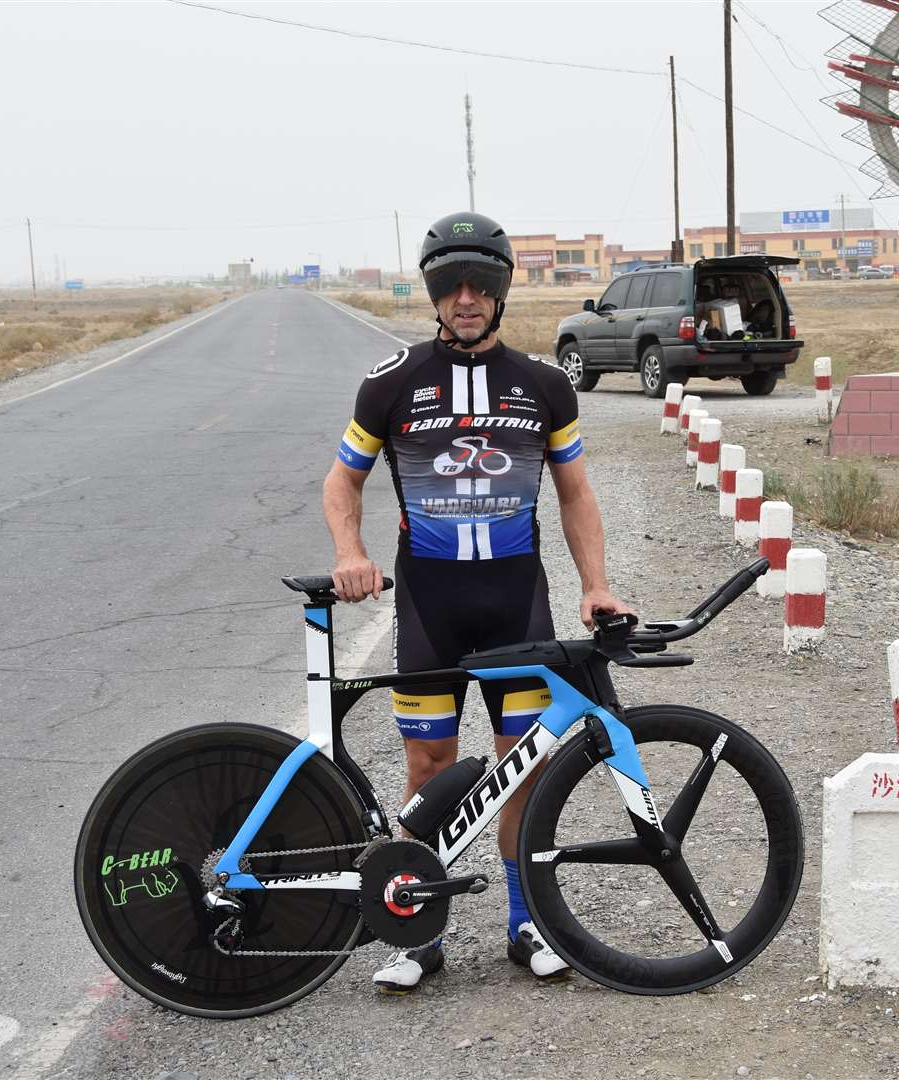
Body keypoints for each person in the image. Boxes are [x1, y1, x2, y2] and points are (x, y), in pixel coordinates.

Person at [321, 211, 631, 993]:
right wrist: (350, 554)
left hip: (514, 602)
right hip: (430, 603)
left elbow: (576, 494)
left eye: (481, 285)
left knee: (521, 768)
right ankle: (419, 930)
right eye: (451, 286)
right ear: (433, 294)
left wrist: (595, 584)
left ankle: (526, 924)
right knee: (429, 763)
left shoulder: (543, 384)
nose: (466, 298)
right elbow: (342, 480)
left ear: (500, 293)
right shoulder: (391, 381)